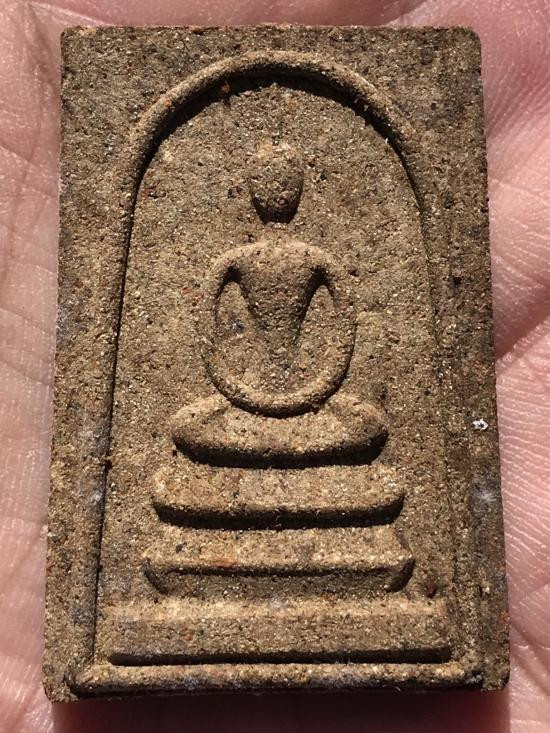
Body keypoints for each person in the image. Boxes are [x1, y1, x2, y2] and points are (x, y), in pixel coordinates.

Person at [0, 1, 548, 731]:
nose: (277, 196)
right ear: (261, 193)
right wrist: (252, 392)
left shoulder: (316, 257)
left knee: (362, 426)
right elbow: (213, 339)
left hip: (307, 399)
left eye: (284, 187)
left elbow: (340, 332)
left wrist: (308, 391)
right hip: (247, 400)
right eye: (270, 187)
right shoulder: (235, 259)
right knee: (195, 428)